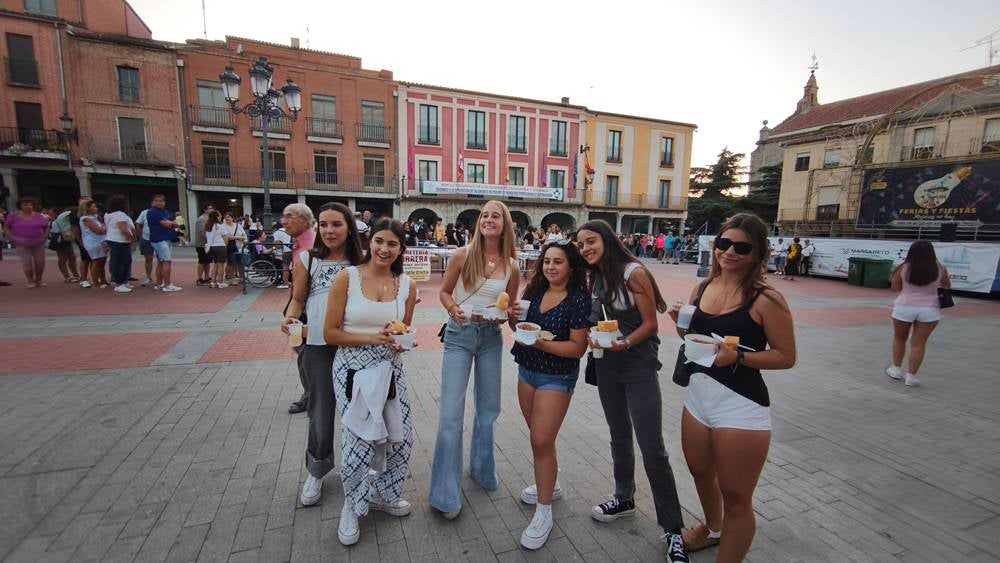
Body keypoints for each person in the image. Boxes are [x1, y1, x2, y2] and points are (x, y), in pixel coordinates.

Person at [669, 213, 796, 561]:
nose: (730, 252)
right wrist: (678, 324)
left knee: (737, 497)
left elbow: (786, 356)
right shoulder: (703, 287)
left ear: (757, 254)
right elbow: (692, 340)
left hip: (740, 406)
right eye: (724, 243)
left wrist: (739, 356)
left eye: (742, 247)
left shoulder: (766, 299)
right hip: (698, 398)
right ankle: (713, 528)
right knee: (699, 471)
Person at [576, 219, 689, 563]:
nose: (586, 249)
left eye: (590, 241)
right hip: (607, 365)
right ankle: (624, 498)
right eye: (581, 245)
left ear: (607, 239)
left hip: (637, 365)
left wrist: (624, 342)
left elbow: (651, 324)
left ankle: (673, 530)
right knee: (618, 435)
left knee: (652, 446)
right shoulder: (596, 277)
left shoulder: (633, 272)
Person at [324, 218, 417, 546]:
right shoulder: (346, 278)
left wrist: (402, 341)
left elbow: (401, 329)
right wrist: (372, 338)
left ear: (401, 248)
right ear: (369, 241)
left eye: (392, 244)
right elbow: (330, 332)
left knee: (399, 439)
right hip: (351, 370)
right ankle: (352, 505)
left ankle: (385, 494)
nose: (384, 249)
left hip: (390, 370)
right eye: (379, 241)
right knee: (357, 444)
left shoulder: (406, 284)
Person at [429, 200, 522, 519]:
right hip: (459, 335)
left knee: (488, 410)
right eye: (484, 215)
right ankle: (445, 493)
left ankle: (482, 470)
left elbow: (509, 312)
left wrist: (513, 315)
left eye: (496, 215)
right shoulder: (462, 255)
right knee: (451, 416)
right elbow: (444, 292)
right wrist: (452, 308)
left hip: (490, 340)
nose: (489, 219)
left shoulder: (512, 265)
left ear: (505, 224)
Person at [507, 239, 590, 549]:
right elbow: (519, 326)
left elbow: (577, 348)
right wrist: (513, 316)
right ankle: (550, 485)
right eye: (547, 262)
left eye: (558, 262)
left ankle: (544, 513)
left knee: (541, 440)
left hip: (556, 376)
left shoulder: (579, 299)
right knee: (539, 437)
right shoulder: (535, 291)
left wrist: (539, 342)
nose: (551, 267)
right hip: (526, 370)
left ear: (571, 267)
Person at [281, 203, 363, 507]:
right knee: (321, 410)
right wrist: (291, 318)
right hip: (317, 345)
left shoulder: (362, 261)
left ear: (349, 228)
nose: (329, 231)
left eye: (337, 225)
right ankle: (316, 470)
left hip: (357, 344)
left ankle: (362, 465)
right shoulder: (307, 260)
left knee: (361, 409)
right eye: (324, 224)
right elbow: (297, 299)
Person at [888, 241, 950, 387]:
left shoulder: (903, 267)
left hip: (904, 307)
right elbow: (947, 285)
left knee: (899, 338)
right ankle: (911, 376)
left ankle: (896, 369)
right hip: (930, 310)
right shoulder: (940, 268)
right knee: (919, 343)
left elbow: (895, 287)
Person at [282, 203, 317, 415]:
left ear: (305, 220)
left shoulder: (311, 247)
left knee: (307, 356)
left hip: (309, 309)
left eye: (290, 216)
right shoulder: (299, 245)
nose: (284, 221)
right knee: (303, 353)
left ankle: (312, 397)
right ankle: (312, 394)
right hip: (298, 307)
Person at [3, 197, 50, 288]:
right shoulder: (14, 216)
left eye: (30, 204)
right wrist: (11, 237)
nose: (28, 206)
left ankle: (39, 280)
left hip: (38, 242)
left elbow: (46, 227)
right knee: (27, 263)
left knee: (40, 263)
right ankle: (30, 280)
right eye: (25, 205)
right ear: (20, 206)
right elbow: (6, 227)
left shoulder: (39, 216)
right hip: (21, 243)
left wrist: (44, 236)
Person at [147, 195, 181, 292]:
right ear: (152, 202)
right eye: (156, 201)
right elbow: (166, 224)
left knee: (161, 261)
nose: (159, 202)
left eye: (161, 201)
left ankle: (159, 283)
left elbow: (175, 221)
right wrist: (171, 223)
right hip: (159, 239)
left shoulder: (166, 212)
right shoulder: (152, 212)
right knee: (167, 261)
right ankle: (167, 285)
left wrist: (171, 222)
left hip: (166, 239)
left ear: (164, 202)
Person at [103, 196, 136, 293]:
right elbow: (123, 228)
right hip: (119, 240)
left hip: (113, 239)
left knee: (120, 261)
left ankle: (122, 281)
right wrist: (131, 238)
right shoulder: (120, 215)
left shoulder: (108, 215)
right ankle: (119, 283)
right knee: (121, 262)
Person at [78, 198, 108, 289]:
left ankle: (103, 280)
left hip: (101, 241)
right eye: (93, 207)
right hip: (93, 242)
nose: (96, 209)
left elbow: (103, 227)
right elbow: (98, 230)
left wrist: (103, 228)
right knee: (96, 261)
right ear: (87, 208)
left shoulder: (96, 217)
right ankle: (95, 282)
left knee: (102, 261)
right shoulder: (85, 218)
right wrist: (104, 229)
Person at [49, 206, 80, 283]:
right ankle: (67, 277)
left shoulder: (69, 215)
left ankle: (76, 275)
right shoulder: (68, 214)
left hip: (66, 236)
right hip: (59, 236)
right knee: (63, 257)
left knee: (72, 257)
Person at [203, 211, 228, 288]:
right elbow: (225, 238)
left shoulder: (208, 226)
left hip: (212, 247)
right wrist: (225, 245)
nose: (220, 217)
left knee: (215, 264)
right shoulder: (220, 226)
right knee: (221, 265)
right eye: (220, 216)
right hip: (220, 246)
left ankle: (213, 282)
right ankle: (220, 282)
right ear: (217, 216)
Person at [221, 212, 247, 285]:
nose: (227, 218)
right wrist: (238, 237)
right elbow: (226, 237)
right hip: (230, 247)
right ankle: (230, 277)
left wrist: (239, 238)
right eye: (226, 217)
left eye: (229, 217)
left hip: (239, 247)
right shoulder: (223, 226)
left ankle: (242, 278)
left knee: (240, 262)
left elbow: (244, 236)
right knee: (231, 263)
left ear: (233, 218)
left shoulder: (238, 226)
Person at [194, 204, 214, 286]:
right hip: (202, 244)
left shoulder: (209, 218)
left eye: (212, 208)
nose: (211, 209)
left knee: (208, 261)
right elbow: (202, 232)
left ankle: (207, 277)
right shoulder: (202, 219)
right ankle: (199, 278)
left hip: (208, 244)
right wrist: (209, 240)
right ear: (205, 210)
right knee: (202, 261)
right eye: (210, 208)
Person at [273, 225, 293, 289]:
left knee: (285, 266)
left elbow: (277, 245)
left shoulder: (276, 233)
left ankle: (285, 283)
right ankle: (296, 283)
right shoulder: (288, 229)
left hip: (287, 250)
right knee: (295, 267)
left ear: (274, 229)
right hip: (295, 249)